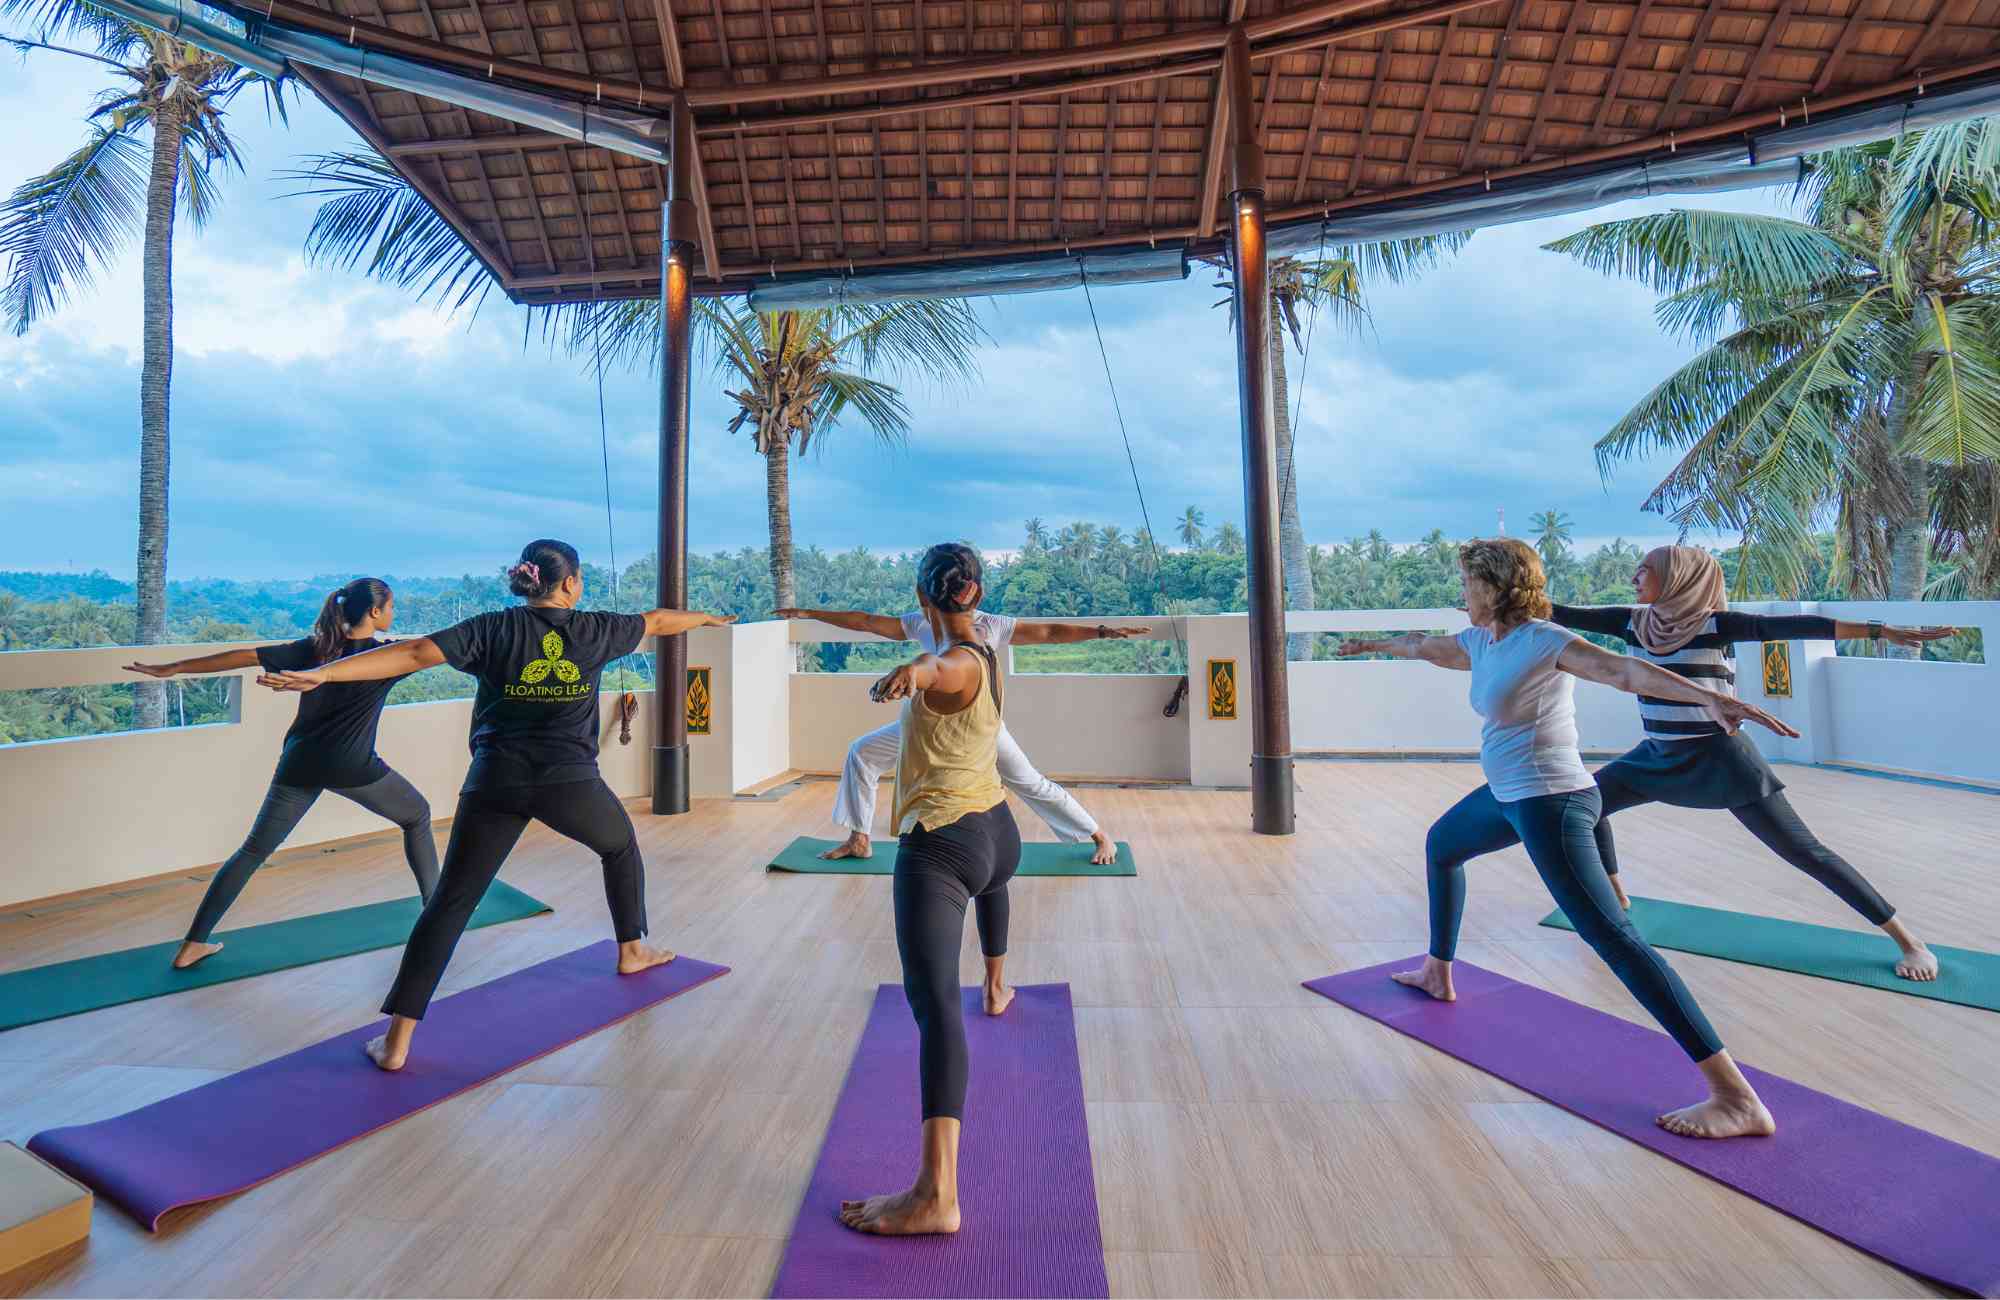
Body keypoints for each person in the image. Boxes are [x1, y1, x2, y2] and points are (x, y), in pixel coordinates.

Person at [1341, 538, 1800, 1140]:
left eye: (1468, 583)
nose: (1461, 593)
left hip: (1552, 801)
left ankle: (1735, 1097)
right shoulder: (1483, 642)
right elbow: (1423, 646)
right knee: (1443, 845)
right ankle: (1437, 971)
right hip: (1511, 795)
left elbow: (1626, 669)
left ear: (1495, 586)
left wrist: (1710, 696)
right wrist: (1373, 644)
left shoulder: (1544, 640)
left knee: (1616, 940)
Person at [259, 539, 732, 1071]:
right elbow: (662, 621)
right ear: (571, 583)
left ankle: (395, 1043)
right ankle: (632, 951)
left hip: (494, 781)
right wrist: (709, 618)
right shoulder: (598, 629)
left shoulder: (491, 628)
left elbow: (411, 654)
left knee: (450, 904)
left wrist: (325, 672)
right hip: (569, 782)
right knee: (620, 847)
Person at [1551, 545, 1955, 981]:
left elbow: (1802, 626)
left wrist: (1880, 631)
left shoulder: (1716, 625)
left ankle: (1911, 943)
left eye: (1644, 572)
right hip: (1656, 755)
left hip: (1721, 759)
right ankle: (1617, 898)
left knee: (1805, 852)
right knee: (1584, 806)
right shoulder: (1632, 622)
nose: (1634, 579)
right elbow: (1560, 612)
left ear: (1678, 577)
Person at [838, 544, 1020, 1236]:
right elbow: (946, 662)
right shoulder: (989, 648)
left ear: (923, 600)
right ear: (976, 595)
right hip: (998, 835)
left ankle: (937, 1195)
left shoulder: (951, 662)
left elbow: (937, 669)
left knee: (936, 1009)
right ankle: (998, 982)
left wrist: (911, 672)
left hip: (942, 848)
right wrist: (918, 668)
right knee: (989, 900)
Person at [126, 578, 437, 970]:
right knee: (418, 815)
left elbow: (242, 656)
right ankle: (435, 911)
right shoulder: (385, 657)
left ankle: (193, 943)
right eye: (391, 606)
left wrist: (174, 668)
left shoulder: (314, 648)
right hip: (351, 764)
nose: (394, 613)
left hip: (299, 761)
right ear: (375, 613)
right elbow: (435, 651)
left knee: (253, 851)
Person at [773, 604, 1149, 865]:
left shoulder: (991, 625)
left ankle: (1099, 834)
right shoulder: (922, 623)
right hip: (930, 728)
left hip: (980, 728)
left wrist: (1101, 633)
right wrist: (808, 613)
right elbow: (867, 622)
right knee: (862, 753)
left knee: (1029, 782)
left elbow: (1049, 632)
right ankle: (859, 839)